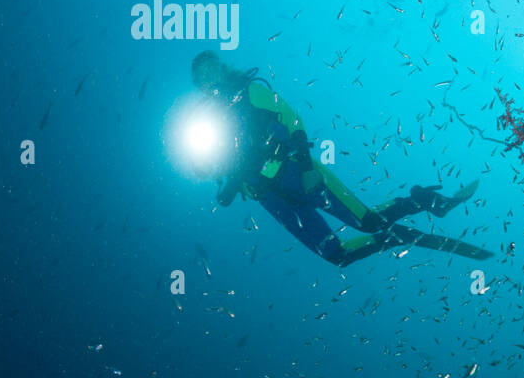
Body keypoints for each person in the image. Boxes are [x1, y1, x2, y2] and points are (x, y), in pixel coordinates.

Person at [189, 50, 491, 265]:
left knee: (369, 222)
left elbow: (293, 120)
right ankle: (395, 238)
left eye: (211, 69)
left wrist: (307, 166)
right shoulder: (212, 125)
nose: (208, 79)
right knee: (337, 256)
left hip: (299, 173)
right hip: (273, 201)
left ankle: (425, 201)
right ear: (199, 87)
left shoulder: (251, 92)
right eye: (201, 77)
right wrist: (226, 186)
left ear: (222, 68)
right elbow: (225, 167)